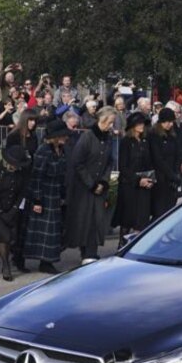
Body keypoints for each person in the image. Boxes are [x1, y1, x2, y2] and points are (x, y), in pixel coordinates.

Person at [65, 106, 116, 262]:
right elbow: (78, 162)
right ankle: (85, 251)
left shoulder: (108, 138)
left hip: (99, 185)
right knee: (84, 219)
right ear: (102, 120)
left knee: (96, 219)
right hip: (84, 187)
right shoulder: (87, 137)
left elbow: (109, 162)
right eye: (110, 122)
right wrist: (91, 183)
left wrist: (103, 181)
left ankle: (91, 252)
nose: (111, 126)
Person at [23, 122, 71, 274]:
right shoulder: (43, 151)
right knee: (42, 230)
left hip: (55, 193)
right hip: (44, 194)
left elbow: (63, 173)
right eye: (63, 135)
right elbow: (37, 176)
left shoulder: (61, 150)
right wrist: (37, 199)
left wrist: (63, 194)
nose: (66, 137)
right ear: (55, 137)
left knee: (54, 229)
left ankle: (47, 261)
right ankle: (37, 260)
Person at [0, 146, 31, 281]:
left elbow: (22, 193)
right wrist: (0, 211)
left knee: (8, 240)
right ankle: (6, 266)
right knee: (5, 237)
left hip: (12, 210)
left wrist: (14, 209)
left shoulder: (20, 173)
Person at [113, 112, 154, 240]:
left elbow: (151, 162)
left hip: (145, 183)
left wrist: (150, 179)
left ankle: (137, 245)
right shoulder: (126, 142)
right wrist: (137, 180)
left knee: (142, 219)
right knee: (127, 218)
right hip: (129, 184)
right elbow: (123, 166)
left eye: (143, 123)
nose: (141, 126)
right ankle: (122, 244)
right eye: (139, 123)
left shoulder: (145, 141)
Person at [149, 108, 182, 219]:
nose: (169, 124)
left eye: (171, 122)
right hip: (161, 177)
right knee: (160, 211)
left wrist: (177, 171)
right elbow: (158, 158)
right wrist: (171, 174)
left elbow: (178, 153)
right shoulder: (154, 135)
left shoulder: (173, 135)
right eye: (166, 122)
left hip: (172, 177)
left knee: (170, 209)